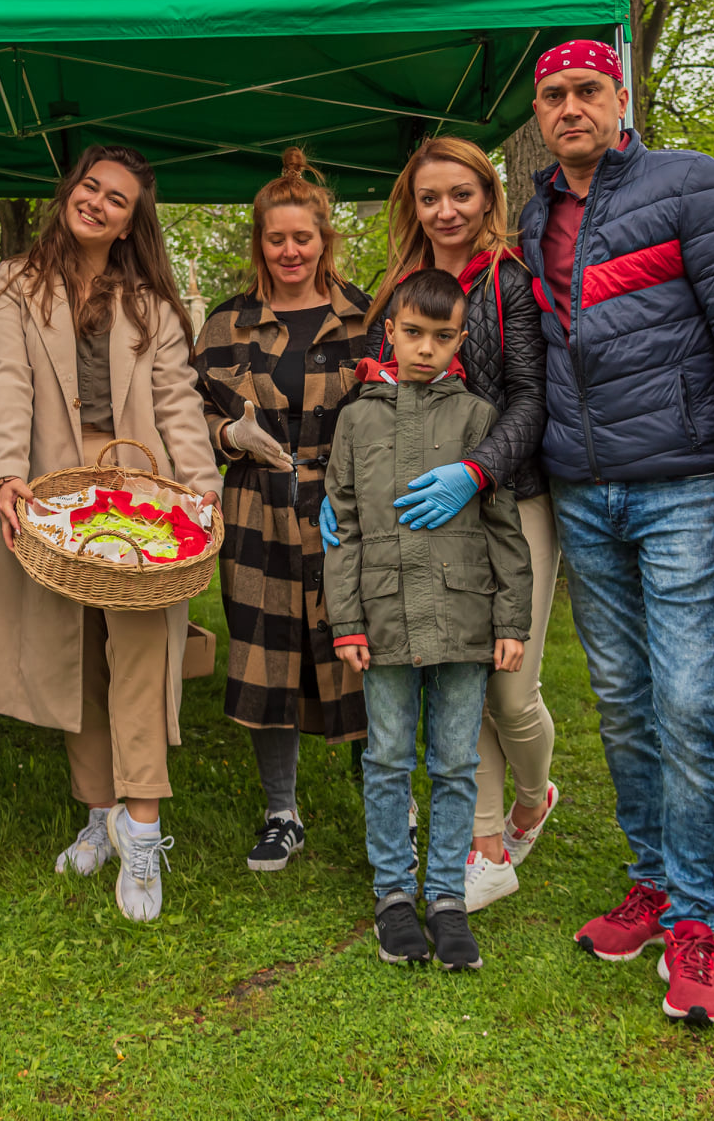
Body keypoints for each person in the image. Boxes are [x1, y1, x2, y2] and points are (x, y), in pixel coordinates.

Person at [517, 38, 714, 1027]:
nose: (569, 107)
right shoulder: (537, 216)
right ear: (538, 114)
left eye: (585, 90)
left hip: (680, 486)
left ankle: (697, 918)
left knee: (685, 697)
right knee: (619, 699)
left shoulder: (689, 185)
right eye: (552, 95)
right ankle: (652, 883)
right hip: (586, 493)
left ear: (621, 98)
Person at [0, 144, 221, 923]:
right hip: (49, 484)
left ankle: (141, 829)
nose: (97, 202)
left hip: (138, 488)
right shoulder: (13, 283)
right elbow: (6, 383)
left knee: (138, 651)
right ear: (69, 192)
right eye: (89, 187)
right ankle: (97, 811)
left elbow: (176, 403)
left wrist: (200, 493)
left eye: (117, 198)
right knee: (72, 657)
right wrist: (5, 477)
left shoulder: (153, 305)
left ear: (132, 221)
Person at [332, 136, 559, 913]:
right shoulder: (393, 292)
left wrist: (474, 469)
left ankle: (534, 794)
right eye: (429, 196)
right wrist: (347, 505)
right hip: (413, 515)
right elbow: (371, 399)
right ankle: (484, 845)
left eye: (460, 193)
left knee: (507, 686)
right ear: (411, 204)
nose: (445, 210)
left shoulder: (509, 285)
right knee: (458, 665)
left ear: (486, 197)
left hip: (503, 497)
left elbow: (531, 396)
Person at [326, 269, 532, 971]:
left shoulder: (477, 418)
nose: (424, 348)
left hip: (462, 616)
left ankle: (444, 895)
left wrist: (511, 620)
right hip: (381, 620)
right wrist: (346, 620)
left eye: (441, 337)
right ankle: (392, 893)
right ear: (390, 330)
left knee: (454, 761)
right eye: (412, 332)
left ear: (459, 340)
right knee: (385, 758)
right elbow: (343, 529)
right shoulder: (354, 419)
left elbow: (504, 527)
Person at [193, 147, 377, 871]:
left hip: (346, 511)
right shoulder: (224, 325)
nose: (291, 250)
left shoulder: (366, 318)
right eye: (277, 239)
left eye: (303, 237)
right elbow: (185, 420)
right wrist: (224, 436)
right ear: (259, 244)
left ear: (324, 238)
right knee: (266, 658)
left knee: (364, 653)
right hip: (256, 511)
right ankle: (280, 810)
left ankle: (386, 801)